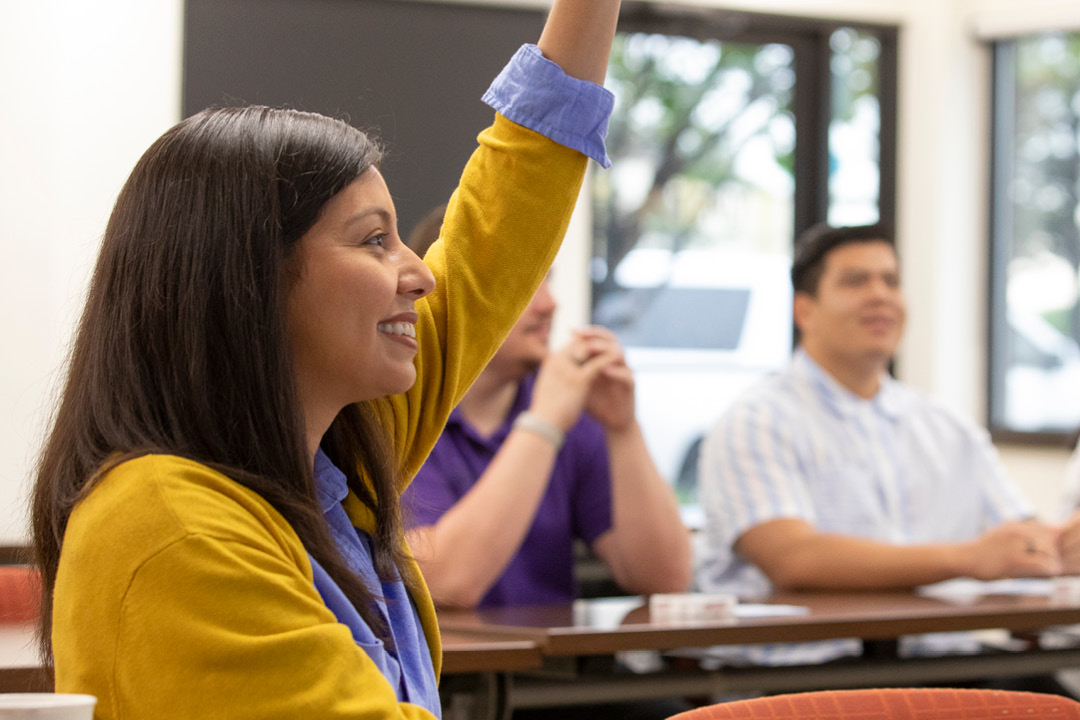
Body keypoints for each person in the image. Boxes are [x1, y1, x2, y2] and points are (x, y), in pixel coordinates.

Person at [29, 1, 622, 717]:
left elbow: (507, 213)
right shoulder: (167, 524)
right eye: (374, 240)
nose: (420, 273)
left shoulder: (328, 465)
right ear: (249, 282)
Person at [696, 222, 1065, 665]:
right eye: (856, 281)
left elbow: (1017, 541)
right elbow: (794, 559)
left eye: (891, 281)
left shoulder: (945, 425)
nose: (881, 295)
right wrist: (967, 558)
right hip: (803, 679)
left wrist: (1055, 547)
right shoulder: (757, 420)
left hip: (944, 662)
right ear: (804, 310)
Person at [402, 208, 691, 608]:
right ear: (452, 294)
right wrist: (543, 423)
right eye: (526, 282)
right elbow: (448, 582)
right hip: (441, 670)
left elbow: (666, 577)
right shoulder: (396, 414)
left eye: (548, 279)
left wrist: (623, 428)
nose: (550, 304)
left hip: (554, 668)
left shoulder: (569, 409)